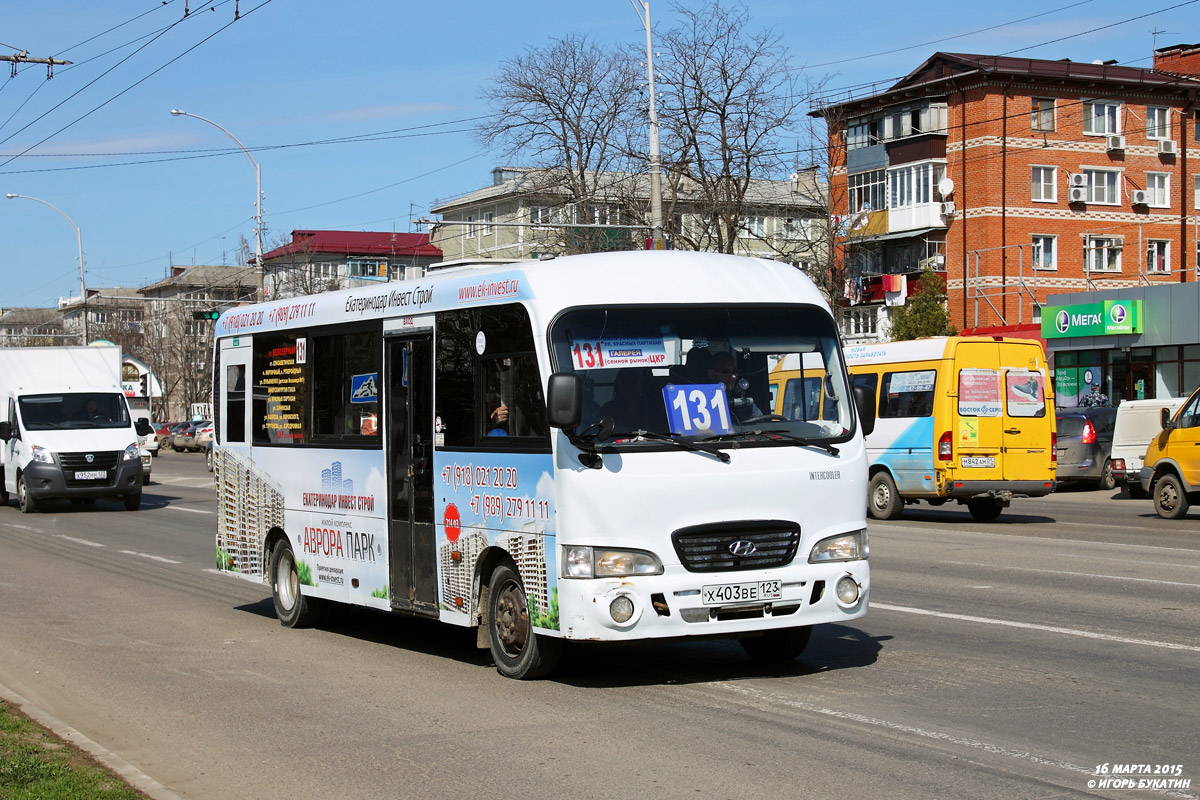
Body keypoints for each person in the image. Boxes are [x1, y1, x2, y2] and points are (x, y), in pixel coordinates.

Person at [707, 352, 762, 421]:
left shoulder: (743, 401)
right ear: (712, 374)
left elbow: (760, 420)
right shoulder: (703, 401)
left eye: (735, 371)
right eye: (725, 371)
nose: (732, 376)